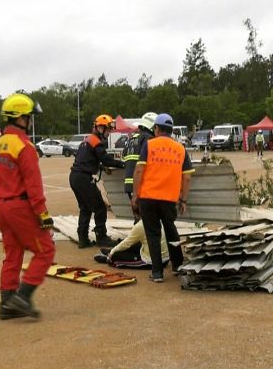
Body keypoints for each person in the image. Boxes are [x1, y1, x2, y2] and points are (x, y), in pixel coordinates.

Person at [0, 92, 55, 320]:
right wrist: (43, 214)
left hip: (1, 206)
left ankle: (7, 302)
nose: (30, 121)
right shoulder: (24, 146)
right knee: (45, 250)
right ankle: (23, 297)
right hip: (20, 207)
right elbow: (33, 185)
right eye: (28, 117)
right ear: (19, 118)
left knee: (13, 253)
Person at [131, 113, 195, 283]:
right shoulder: (181, 149)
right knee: (171, 230)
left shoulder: (149, 145)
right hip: (169, 199)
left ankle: (157, 273)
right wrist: (183, 200)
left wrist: (135, 195)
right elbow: (187, 177)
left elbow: (138, 170)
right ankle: (178, 266)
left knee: (153, 234)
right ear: (172, 130)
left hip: (148, 197)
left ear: (157, 129)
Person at [69, 114, 125, 248]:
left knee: (85, 208)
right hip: (83, 178)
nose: (110, 132)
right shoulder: (96, 142)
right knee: (100, 208)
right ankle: (102, 237)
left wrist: (101, 167)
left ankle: (83, 239)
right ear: (100, 128)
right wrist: (123, 164)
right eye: (108, 129)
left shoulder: (87, 140)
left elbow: (86, 159)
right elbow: (106, 159)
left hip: (75, 177)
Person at [94, 220, 169, 270]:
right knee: (134, 242)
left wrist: (113, 251)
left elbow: (127, 243)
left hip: (152, 261)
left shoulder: (140, 225)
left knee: (117, 255)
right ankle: (111, 252)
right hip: (162, 256)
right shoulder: (157, 218)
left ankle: (110, 258)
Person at [124, 112, 156, 202]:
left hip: (129, 184)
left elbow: (124, 158)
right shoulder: (148, 138)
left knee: (137, 214)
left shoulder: (131, 139)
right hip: (141, 185)